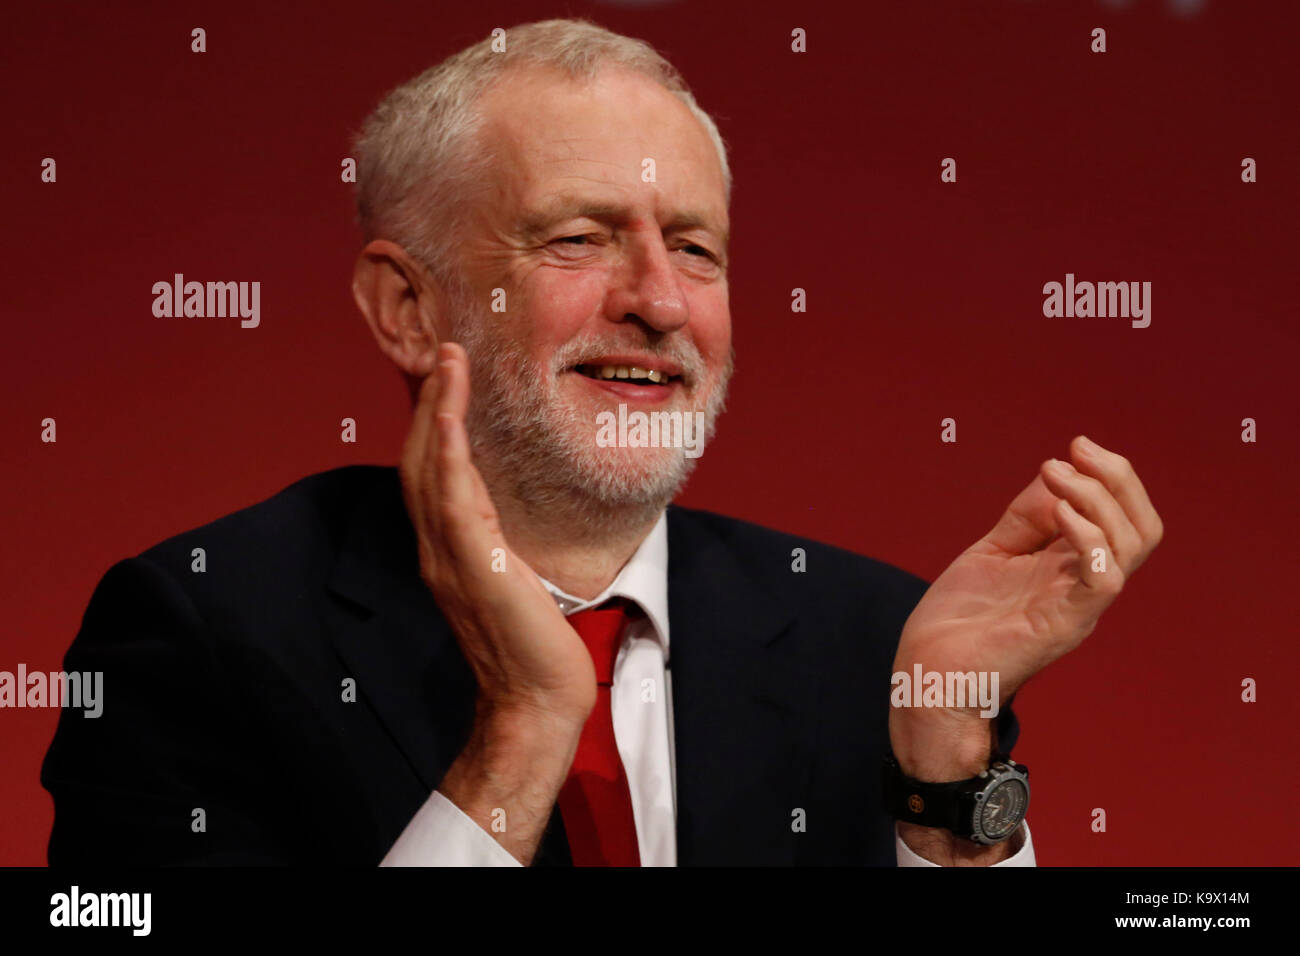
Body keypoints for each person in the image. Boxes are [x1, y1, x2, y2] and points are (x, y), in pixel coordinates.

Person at [41, 18, 1162, 867]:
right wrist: (524, 733)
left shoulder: (877, 639)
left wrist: (942, 772)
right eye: (577, 238)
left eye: (695, 248)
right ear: (407, 307)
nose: (660, 303)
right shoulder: (198, 630)